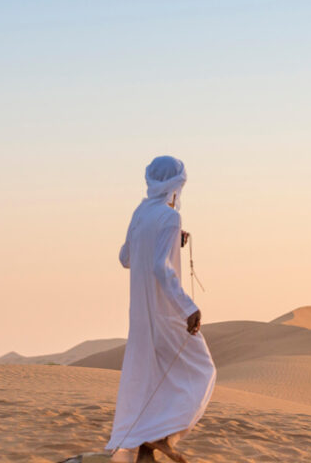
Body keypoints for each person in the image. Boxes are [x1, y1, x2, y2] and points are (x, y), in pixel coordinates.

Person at [105, 156, 216, 463]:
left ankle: (145, 451)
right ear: (176, 186)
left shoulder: (140, 213)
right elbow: (160, 267)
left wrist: (165, 241)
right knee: (202, 369)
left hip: (141, 315)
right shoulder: (170, 217)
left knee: (153, 377)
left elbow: (125, 257)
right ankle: (160, 437)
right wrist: (188, 308)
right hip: (165, 312)